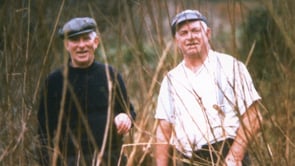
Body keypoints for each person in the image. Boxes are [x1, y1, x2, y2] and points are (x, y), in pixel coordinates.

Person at [154, 10, 262, 166]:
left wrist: (235, 156)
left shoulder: (230, 66)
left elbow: (254, 117)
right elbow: (163, 132)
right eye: (183, 33)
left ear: (208, 33)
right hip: (188, 159)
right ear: (176, 40)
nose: (190, 37)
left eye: (195, 31)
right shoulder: (171, 80)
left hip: (227, 154)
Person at [37, 17, 136, 166]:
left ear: (95, 42)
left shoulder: (111, 75)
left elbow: (129, 112)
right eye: (75, 40)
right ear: (66, 45)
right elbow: (43, 133)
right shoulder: (54, 81)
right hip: (69, 161)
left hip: (111, 159)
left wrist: (125, 117)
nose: (81, 46)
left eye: (86, 39)